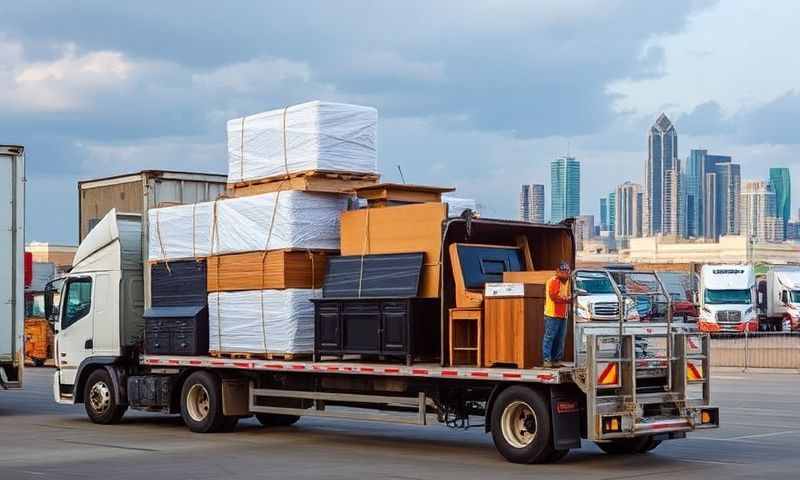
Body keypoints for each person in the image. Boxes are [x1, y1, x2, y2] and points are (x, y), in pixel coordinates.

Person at [542, 261, 572, 368]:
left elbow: (567, 295)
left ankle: (556, 360)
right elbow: (553, 297)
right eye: (563, 271)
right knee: (550, 337)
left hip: (563, 314)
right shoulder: (553, 281)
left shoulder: (567, 282)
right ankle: (547, 360)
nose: (565, 273)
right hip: (552, 314)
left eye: (567, 271)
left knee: (560, 338)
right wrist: (567, 300)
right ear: (557, 271)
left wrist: (568, 299)